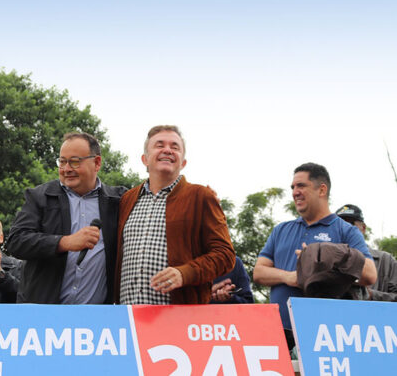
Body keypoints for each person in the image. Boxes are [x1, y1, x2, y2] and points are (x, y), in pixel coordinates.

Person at [115, 125, 235, 305]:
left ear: (183, 162)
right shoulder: (127, 199)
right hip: (129, 318)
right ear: (145, 159)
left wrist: (184, 273)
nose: (167, 150)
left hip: (180, 319)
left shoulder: (201, 196)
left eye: (175, 147)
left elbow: (225, 255)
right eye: (159, 145)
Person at [254, 163, 376, 331]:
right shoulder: (280, 230)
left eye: (301, 186)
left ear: (322, 190)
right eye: (293, 187)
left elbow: (370, 274)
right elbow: (259, 272)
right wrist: (290, 277)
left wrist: (325, 256)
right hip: (279, 331)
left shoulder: (346, 231)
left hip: (323, 333)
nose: (295, 192)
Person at [7, 132, 127, 304]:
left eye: (75, 161)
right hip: (43, 316)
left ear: (97, 163)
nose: (66, 169)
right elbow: (16, 241)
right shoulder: (40, 197)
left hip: (98, 321)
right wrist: (64, 242)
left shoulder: (119, 201)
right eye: (62, 161)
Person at [336, 204, 397, 302]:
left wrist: (371, 295)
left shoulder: (386, 261)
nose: (346, 229)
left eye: (351, 224)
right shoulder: (329, 262)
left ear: (363, 228)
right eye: (341, 225)